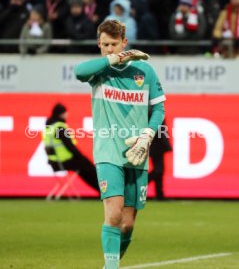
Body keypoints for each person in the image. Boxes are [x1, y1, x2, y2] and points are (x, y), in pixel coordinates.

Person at [74, 20, 166, 269]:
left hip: (137, 153)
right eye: (104, 45)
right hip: (107, 153)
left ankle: (109, 265)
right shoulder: (100, 71)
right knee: (113, 214)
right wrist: (114, 59)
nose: (109, 49)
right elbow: (78, 71)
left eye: (114, 45)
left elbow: (158, 107)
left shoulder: (144, 71)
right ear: (99, 44)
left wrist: (147, 135)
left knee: (127, 224)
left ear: (124, 42)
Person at [42, 103, 99, 193]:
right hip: (64, 160)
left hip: (53, 161)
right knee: (88, 167)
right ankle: (101, 190)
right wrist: (80, 156)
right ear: (62, 114)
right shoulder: (59, 127)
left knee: (84, 167)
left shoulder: (49, 127)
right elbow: (69, 146)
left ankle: (100, 190)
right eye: (65, 112)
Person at [149, 120, 172, 200]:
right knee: (159, 171)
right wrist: (167, 145)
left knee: (159, 171)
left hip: (155, 146)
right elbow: (161, 131)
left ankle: (159, 195)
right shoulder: (155, 111)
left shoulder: (149, 110)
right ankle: (140, 185)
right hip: (157, 146)